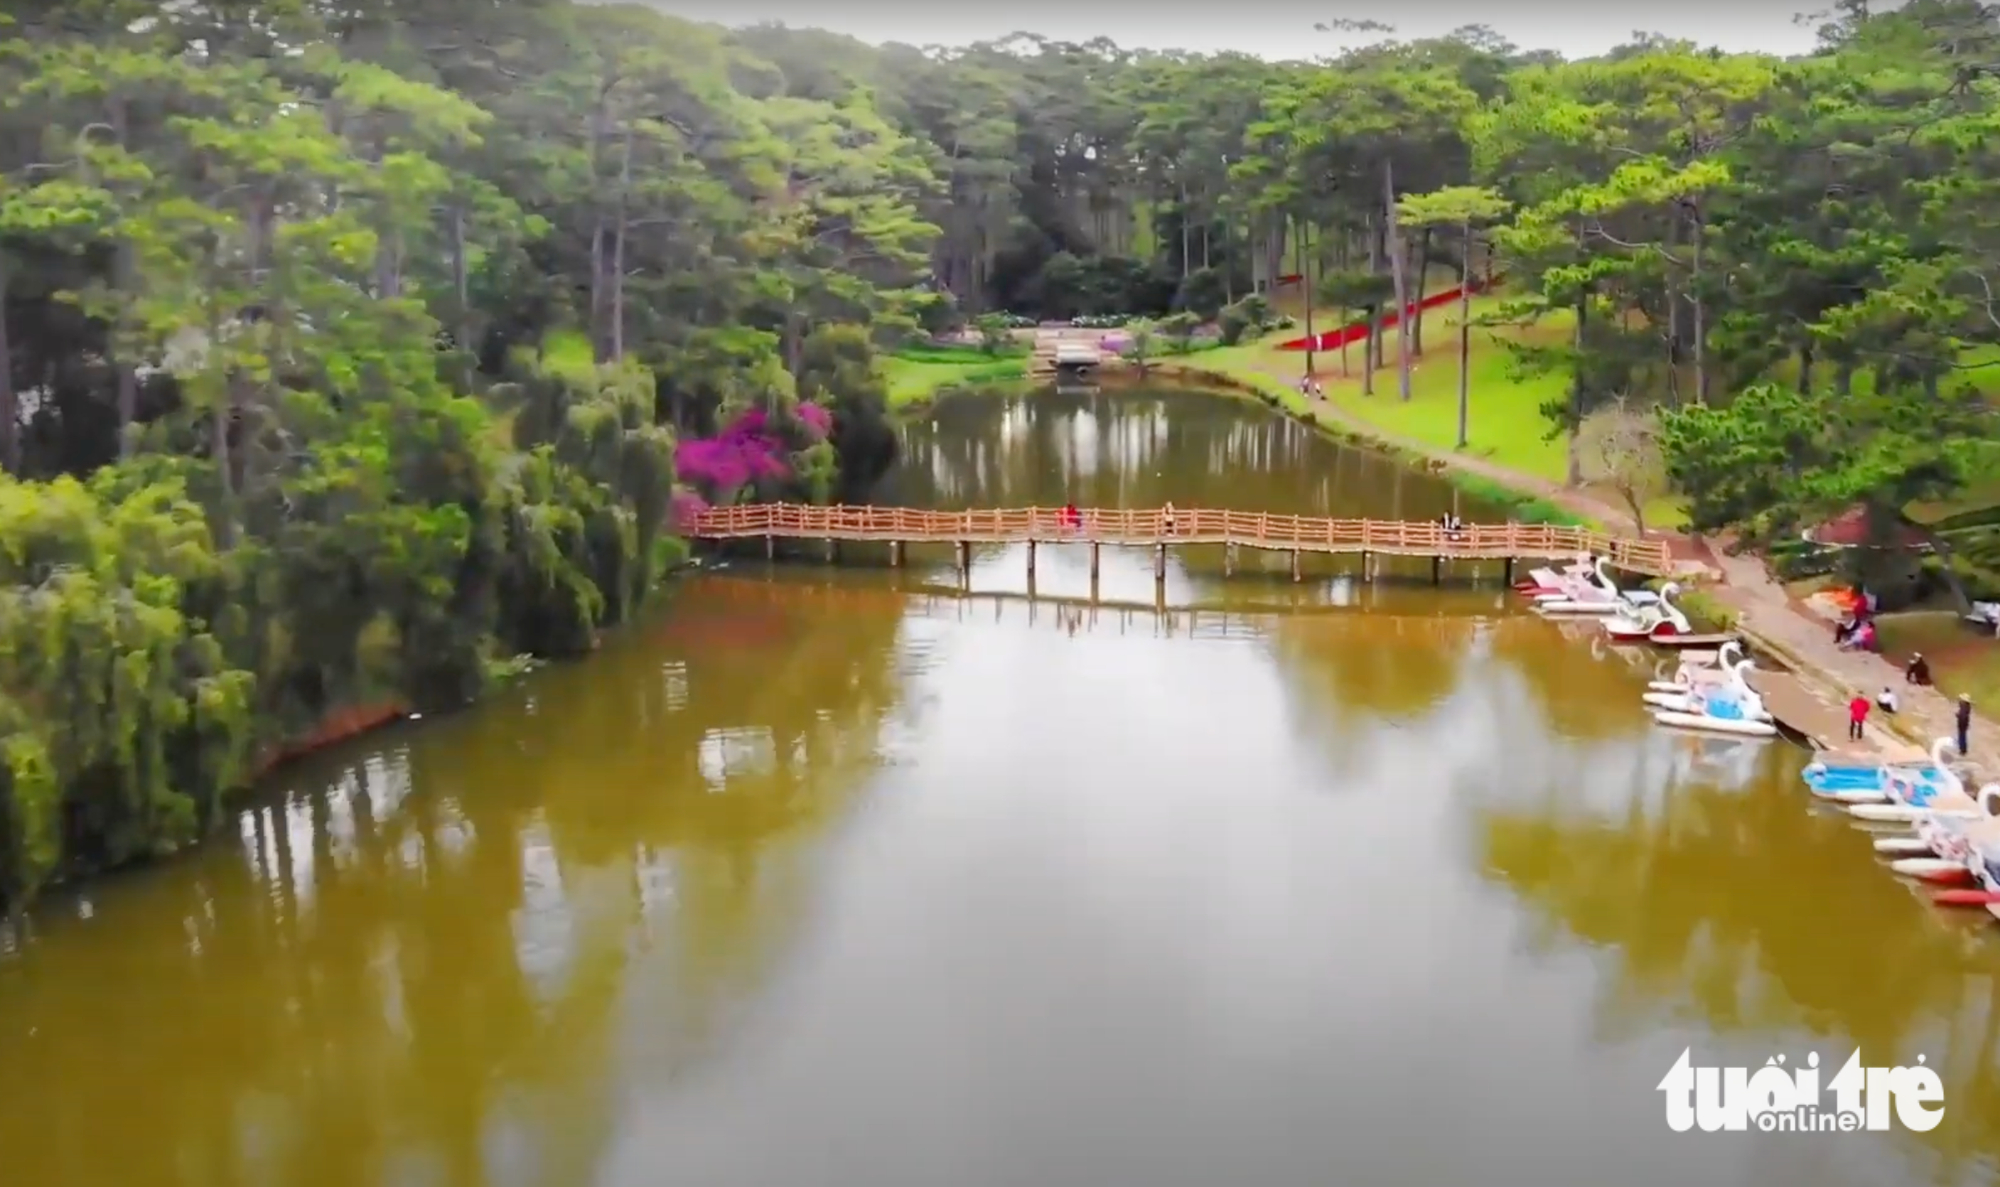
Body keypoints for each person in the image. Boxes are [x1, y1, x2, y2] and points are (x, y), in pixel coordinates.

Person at [1958, 694, 1973, 758]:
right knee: (1963, 736)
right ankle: (1963, 749)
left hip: (1962, 723)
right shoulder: (1967, 706)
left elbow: (1962, 715)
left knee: (1962, 736)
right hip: (1964, 723)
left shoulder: (1964, 707)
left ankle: (1962, 750)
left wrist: (1958, 716)